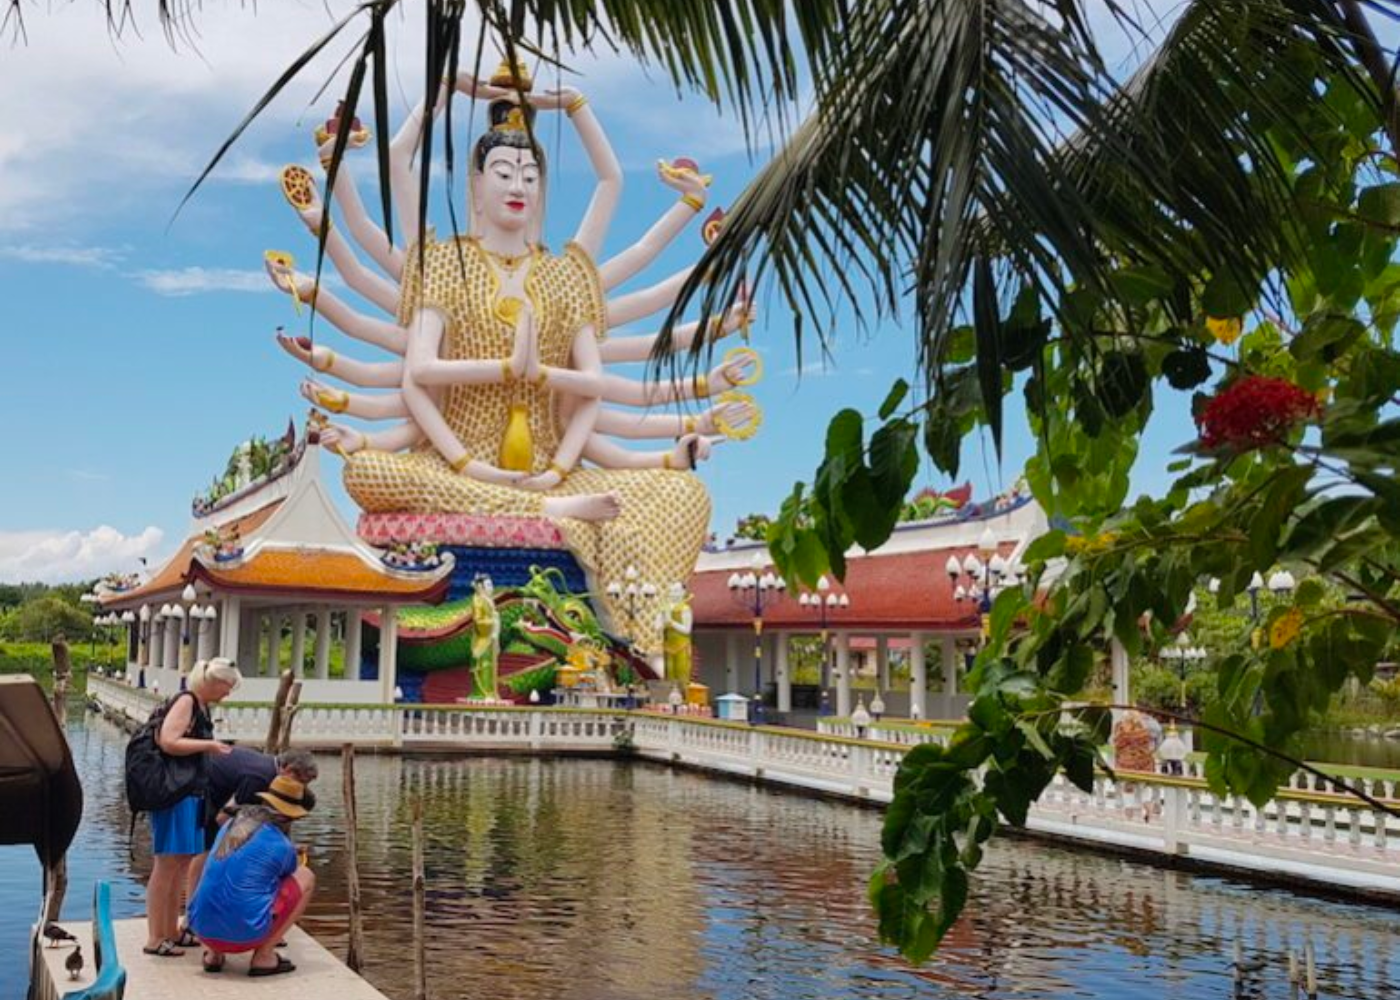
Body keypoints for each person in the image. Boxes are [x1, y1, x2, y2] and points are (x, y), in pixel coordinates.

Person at [142, 657, 240, 958]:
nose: (228, 693)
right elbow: (169, 741)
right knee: (166, 864)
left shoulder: (201, 707)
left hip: (190, 794)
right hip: (174, 794)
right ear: (213, 682)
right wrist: (209, 746)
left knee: (181, 862)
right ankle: (155, 937)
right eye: (227, 686)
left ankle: (170, 930)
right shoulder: (186, 701)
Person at [187, 775, 316, 977]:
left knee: (224, 871)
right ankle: (264, 956)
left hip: (201, 930)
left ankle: (214, 955)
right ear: (290, 817)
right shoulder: (282, 846)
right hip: (244, 938)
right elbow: (288, 874)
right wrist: (292, 851)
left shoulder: (229, 827)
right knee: (306, 876)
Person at [184, 748, 319, 908]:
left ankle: (206, 905)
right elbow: (225, 820)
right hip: (196, 789)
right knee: (207, 849)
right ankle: (191, 906)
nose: (301, 788)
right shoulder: (259, 778)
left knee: (228, 845)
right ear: (288, 770)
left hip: (215, 788)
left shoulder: (270, 771)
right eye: (302, 782)